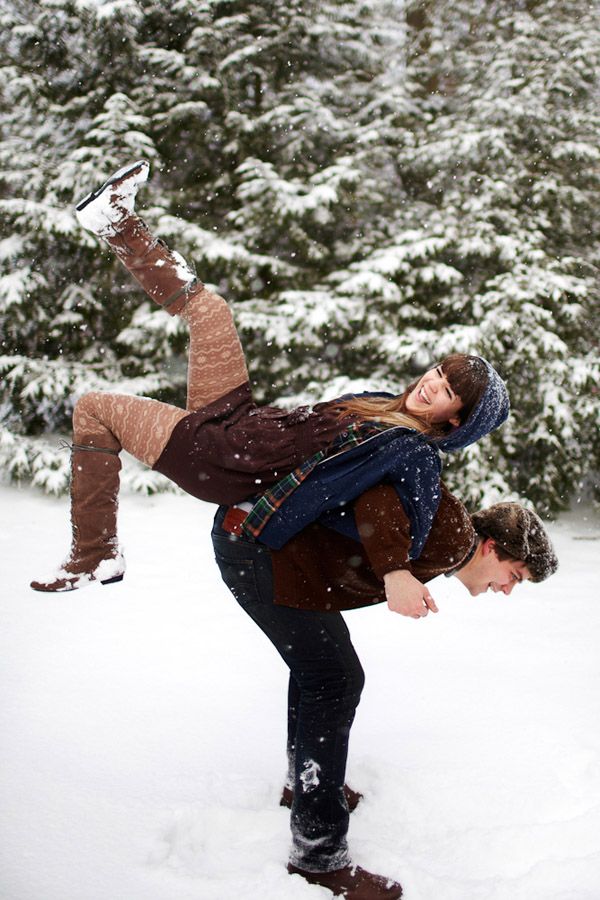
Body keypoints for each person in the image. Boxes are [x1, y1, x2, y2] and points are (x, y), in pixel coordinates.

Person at [30, 161, 509, 593]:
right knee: (210, 309)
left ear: (455, 421)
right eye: (439, 372)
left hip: (222, 460)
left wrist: (394, 571)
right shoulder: (384, 403)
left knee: (94, 408)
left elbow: (402, 520)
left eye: (445, 391)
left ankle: (93, 554)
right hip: (244, 419)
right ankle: (115, 222)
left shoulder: (413, 453)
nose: (430, 383)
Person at [212, 481, 558, 899]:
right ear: (491, 549)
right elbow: (380, 495)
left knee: (323, 671)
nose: (506, 589)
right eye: (514, 576)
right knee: (336, 679)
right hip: (258, 548)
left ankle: (305, 783)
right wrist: (395, 570)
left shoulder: (451, 540)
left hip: (264, 547)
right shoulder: (454, 533)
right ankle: (317, 856)